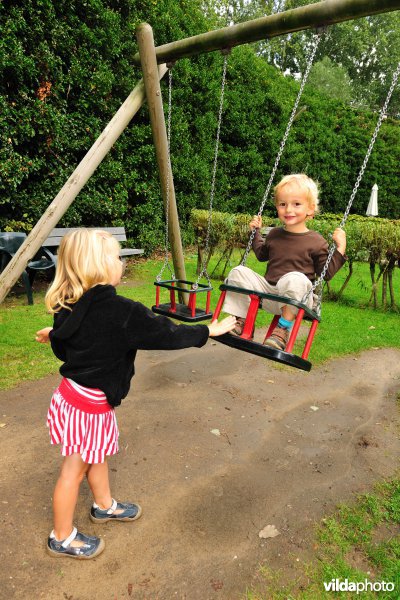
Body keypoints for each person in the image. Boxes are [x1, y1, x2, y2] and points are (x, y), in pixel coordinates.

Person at [36, 228, 236, 560]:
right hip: (88, 407)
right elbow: (166, 333)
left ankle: (103, 505)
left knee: (96, 455)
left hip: (73, 397)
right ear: (99, 265)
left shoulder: (70, 303)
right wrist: (207, 330)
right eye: (116, 257)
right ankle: (61, 536)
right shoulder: (121, 311)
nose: (121, 262)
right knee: (73, 470)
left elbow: (67, 342)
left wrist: (54, 334)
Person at [222, 173, 347, 350]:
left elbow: (326, 273)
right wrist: (254, 233)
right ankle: (241, 320)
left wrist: (340, 247)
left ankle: (282, 330)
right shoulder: (274, 234)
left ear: (310, 209)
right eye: (283, 204)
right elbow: (260, 254)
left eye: (296, 204)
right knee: (238, 272)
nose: (288, 209)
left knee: (294, 278)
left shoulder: (316, 241)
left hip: (296, 299)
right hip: (269, 293)